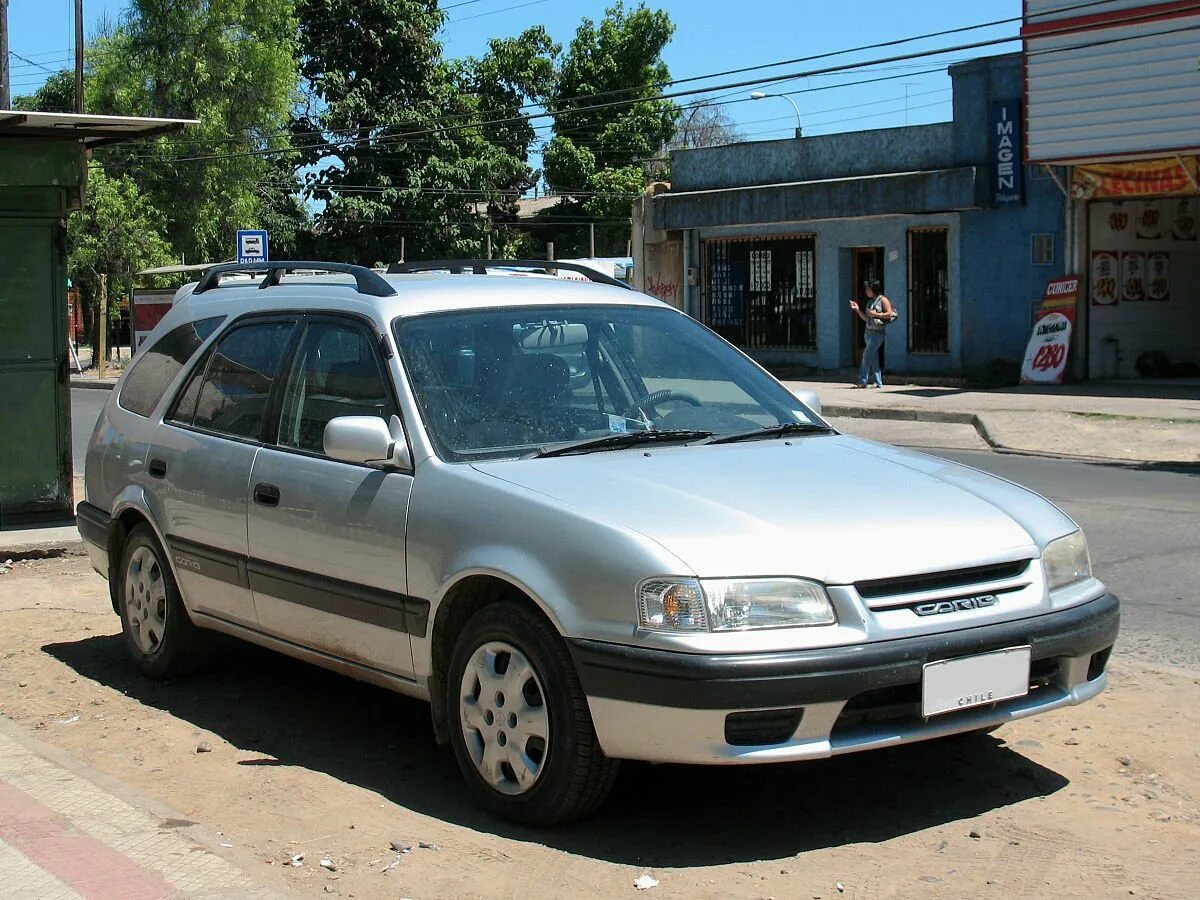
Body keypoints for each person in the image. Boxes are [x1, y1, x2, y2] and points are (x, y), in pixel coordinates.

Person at [849, 279, 894, 388]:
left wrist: (877, 315)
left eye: (868, 289)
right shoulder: (870, 302)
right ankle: (878, 382)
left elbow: (890, 314)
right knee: (873, 358)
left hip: (877, 333)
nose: (866, 291)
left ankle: (862, 380)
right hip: (868, 332)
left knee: (866, 355)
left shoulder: (883, 300)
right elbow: (866, 318)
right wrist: (857, 310)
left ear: (874, 289)